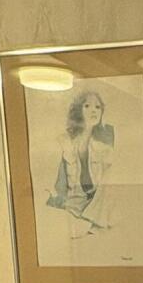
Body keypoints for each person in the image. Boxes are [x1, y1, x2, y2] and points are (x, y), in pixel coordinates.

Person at [46, 89, 115, 232]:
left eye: (98, 107)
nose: (93, 111)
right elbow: (60, 183)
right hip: (75, 204)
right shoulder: (65, 142)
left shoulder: (105, 141)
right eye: (87, 106)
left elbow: (111, 178)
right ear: (78, 110)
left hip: (99, 204)